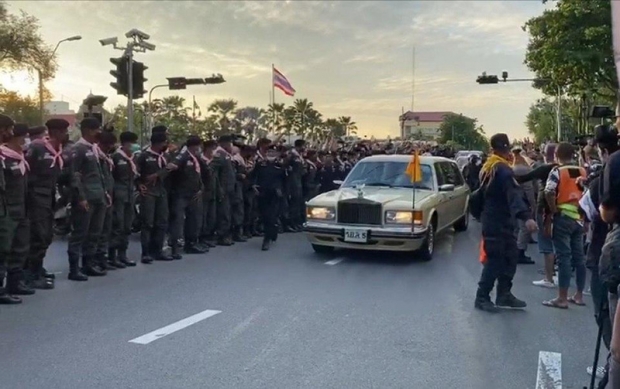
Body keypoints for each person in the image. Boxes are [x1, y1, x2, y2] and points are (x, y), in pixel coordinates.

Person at [475, 133, 537, 313]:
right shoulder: (501, 169)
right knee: (495, 260)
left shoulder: (489, 165)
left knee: (510, 256)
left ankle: (504, 294)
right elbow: (513, 194)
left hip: (496, 219)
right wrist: (527, 217)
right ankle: (482, 297)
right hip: (497, 221)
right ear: (507, 148)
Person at [24, 119, 69, 290]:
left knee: (46, 235)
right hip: (36, 197)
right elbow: (26, 170)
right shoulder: (37, 147)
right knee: (38, 236)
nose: (66, 135)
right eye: (64, 132)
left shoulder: (58, 150)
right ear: (56, 132)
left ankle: (37, 268)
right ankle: (30, 275)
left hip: (49, 196)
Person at [542, 142, 587, 309]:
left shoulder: (557, 171)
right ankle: (579, 295)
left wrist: (553, 211)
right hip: (579, 218)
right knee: (579, 258)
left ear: (556, 156)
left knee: (564, 258)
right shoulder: (582, 171)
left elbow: (548, 191)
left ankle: (561, 298)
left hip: (563, 217)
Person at [67, 117, 107, 280]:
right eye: (97, 129)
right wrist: (81, 197)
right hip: (86, 198)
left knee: (94, 233)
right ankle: (74, 269)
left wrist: (105, 193)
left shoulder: (93, 149)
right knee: (80, 234)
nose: (99, 132)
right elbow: (74, 176)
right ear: (89, 130)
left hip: (98, 196)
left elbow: (98, 175)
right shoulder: (79, 149)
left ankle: (88, 264)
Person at [514, 143, 558, 288]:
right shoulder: (571, 169)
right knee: (562, 244)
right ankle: (558, 272)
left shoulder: (545, 169)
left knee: (547, 245)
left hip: (545, 210)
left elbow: (524, 178)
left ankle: (549, 277)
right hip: (565, 210)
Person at [0, 121, 33, 299]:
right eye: (9, 129)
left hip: (21, 208)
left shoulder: (20, 158)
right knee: (3, 249)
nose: (26, 140)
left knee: (20, 248)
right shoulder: (3, 157)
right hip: (6, 211)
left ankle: (15, 283)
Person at [135, 131, 174, 263]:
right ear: (157, 143)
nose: (165, 145)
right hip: (149, 193)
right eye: (164, 142)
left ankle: (157, 250)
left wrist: (164, 172)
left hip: (162, 191)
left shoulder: (165, 157)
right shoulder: (144, 156)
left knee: (162, 222)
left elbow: (167, 172)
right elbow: (136, 173)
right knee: (147, 222)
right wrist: (139, 185)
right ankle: (146, 252)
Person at [169, 135, 208, 257]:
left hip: (194, 194)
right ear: (194, 146)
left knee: (195, 220)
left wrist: (202, 188)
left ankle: (191, 243)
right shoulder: (182, 156)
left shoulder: (197, 158)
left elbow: (204, 173)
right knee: (178, 221)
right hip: (181, 194)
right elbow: (173, 169)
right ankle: (174, 247)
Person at [110, 131, 139, 267]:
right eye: (131, 143)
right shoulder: (116, 157)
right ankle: (112, 256)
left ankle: (123, 254)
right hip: (118, 195)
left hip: (130, 195)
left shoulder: (133, 158)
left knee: (127, 226)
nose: (133, 146)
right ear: (124, 144)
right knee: (117, 225)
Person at [251, 143, 286, 251]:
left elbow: (286, 180)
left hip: (275, 195)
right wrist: (253, 186)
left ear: (277, 154)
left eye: (273, 152)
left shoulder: (280, 165)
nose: (271, 154)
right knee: (265, 216)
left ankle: (267, 239)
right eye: (269, 152)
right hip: (262, 193)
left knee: (271, 216)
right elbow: (253, 176)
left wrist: (283, 191)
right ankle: (272, 230)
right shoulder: (261, 164)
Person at [95, 131, 117, 271]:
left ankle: (103, 258)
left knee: (106, 229)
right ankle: (92, 260)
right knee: (96, 230)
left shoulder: (106, 157)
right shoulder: (96, 157)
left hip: (109, 196)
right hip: (99, 197)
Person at [212, 135, 236, 246]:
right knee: (224, 213)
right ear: (224, 143)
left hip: (229, 188)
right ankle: (222, 235)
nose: (231, 145)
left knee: (228, 212)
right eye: (230, 143)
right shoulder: (219, 154)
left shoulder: (226, 154)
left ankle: (226, 233)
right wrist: (219, 188)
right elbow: (215, 174)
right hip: (223, 188)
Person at [199, 140, 218, 248]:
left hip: (212, 191)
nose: (214, 151)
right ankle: (201, 237)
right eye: (213, 149)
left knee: (211, 216)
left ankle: (208, 236)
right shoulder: (202, 160)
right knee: (203, 215)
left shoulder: (214, 161)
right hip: (204, 191)